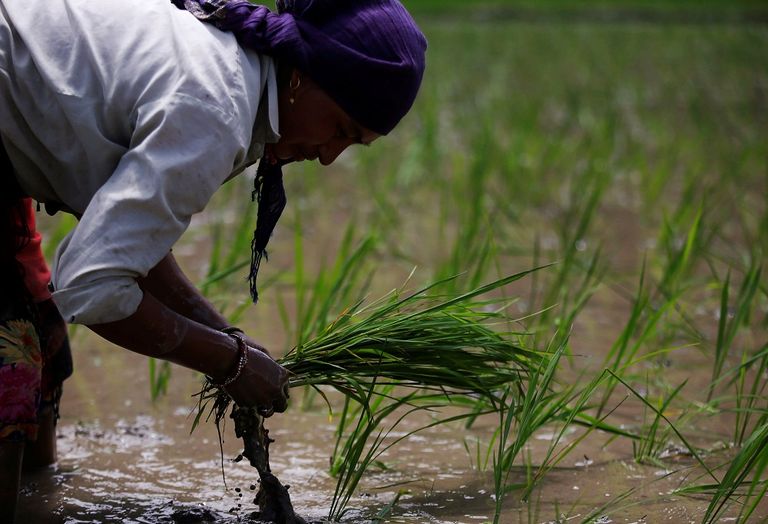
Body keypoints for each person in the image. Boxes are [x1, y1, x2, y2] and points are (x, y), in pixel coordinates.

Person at [0, 0, 426, 520]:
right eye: (340, 128)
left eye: (354, 145)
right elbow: (91, 288)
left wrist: (227, 336)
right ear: (301, 77)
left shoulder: (235, 79)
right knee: (11, 368)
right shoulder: (216, 108)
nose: (329, 155)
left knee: (42, 355)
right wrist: (229, 362)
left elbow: (129, 243)